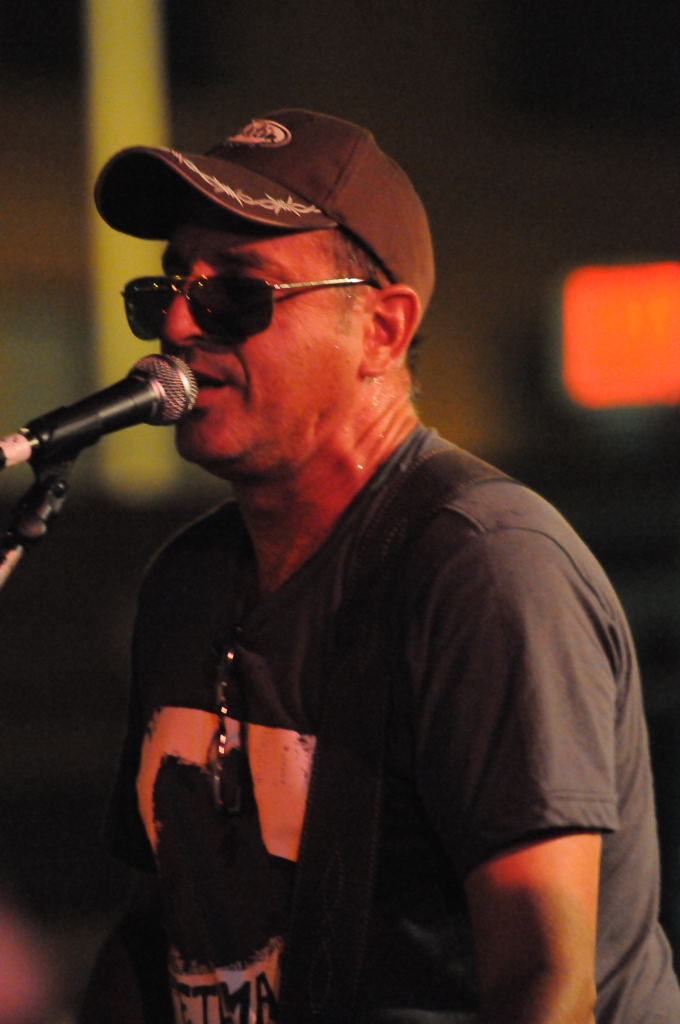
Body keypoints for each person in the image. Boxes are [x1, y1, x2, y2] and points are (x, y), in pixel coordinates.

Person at [79, 108, 680, 1024]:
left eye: (236, 292)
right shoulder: (187, 582)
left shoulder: (484, 570)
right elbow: (158, 926)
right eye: (166, 286)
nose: (175, 322)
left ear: (382, 331)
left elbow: (546, 983)